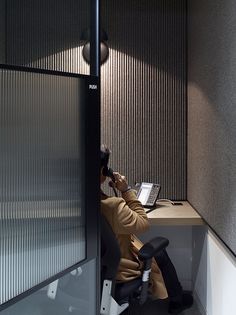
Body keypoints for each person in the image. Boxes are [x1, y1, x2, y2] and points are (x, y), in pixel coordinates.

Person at [100, 144, 193, 314]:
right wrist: (126, 190)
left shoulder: (76, 203)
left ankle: (175, 298)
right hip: (118, 271)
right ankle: (176, 300)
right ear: (104, 172)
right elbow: (143, 223)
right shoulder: (112, 206)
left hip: (89, 269)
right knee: (158, 252)